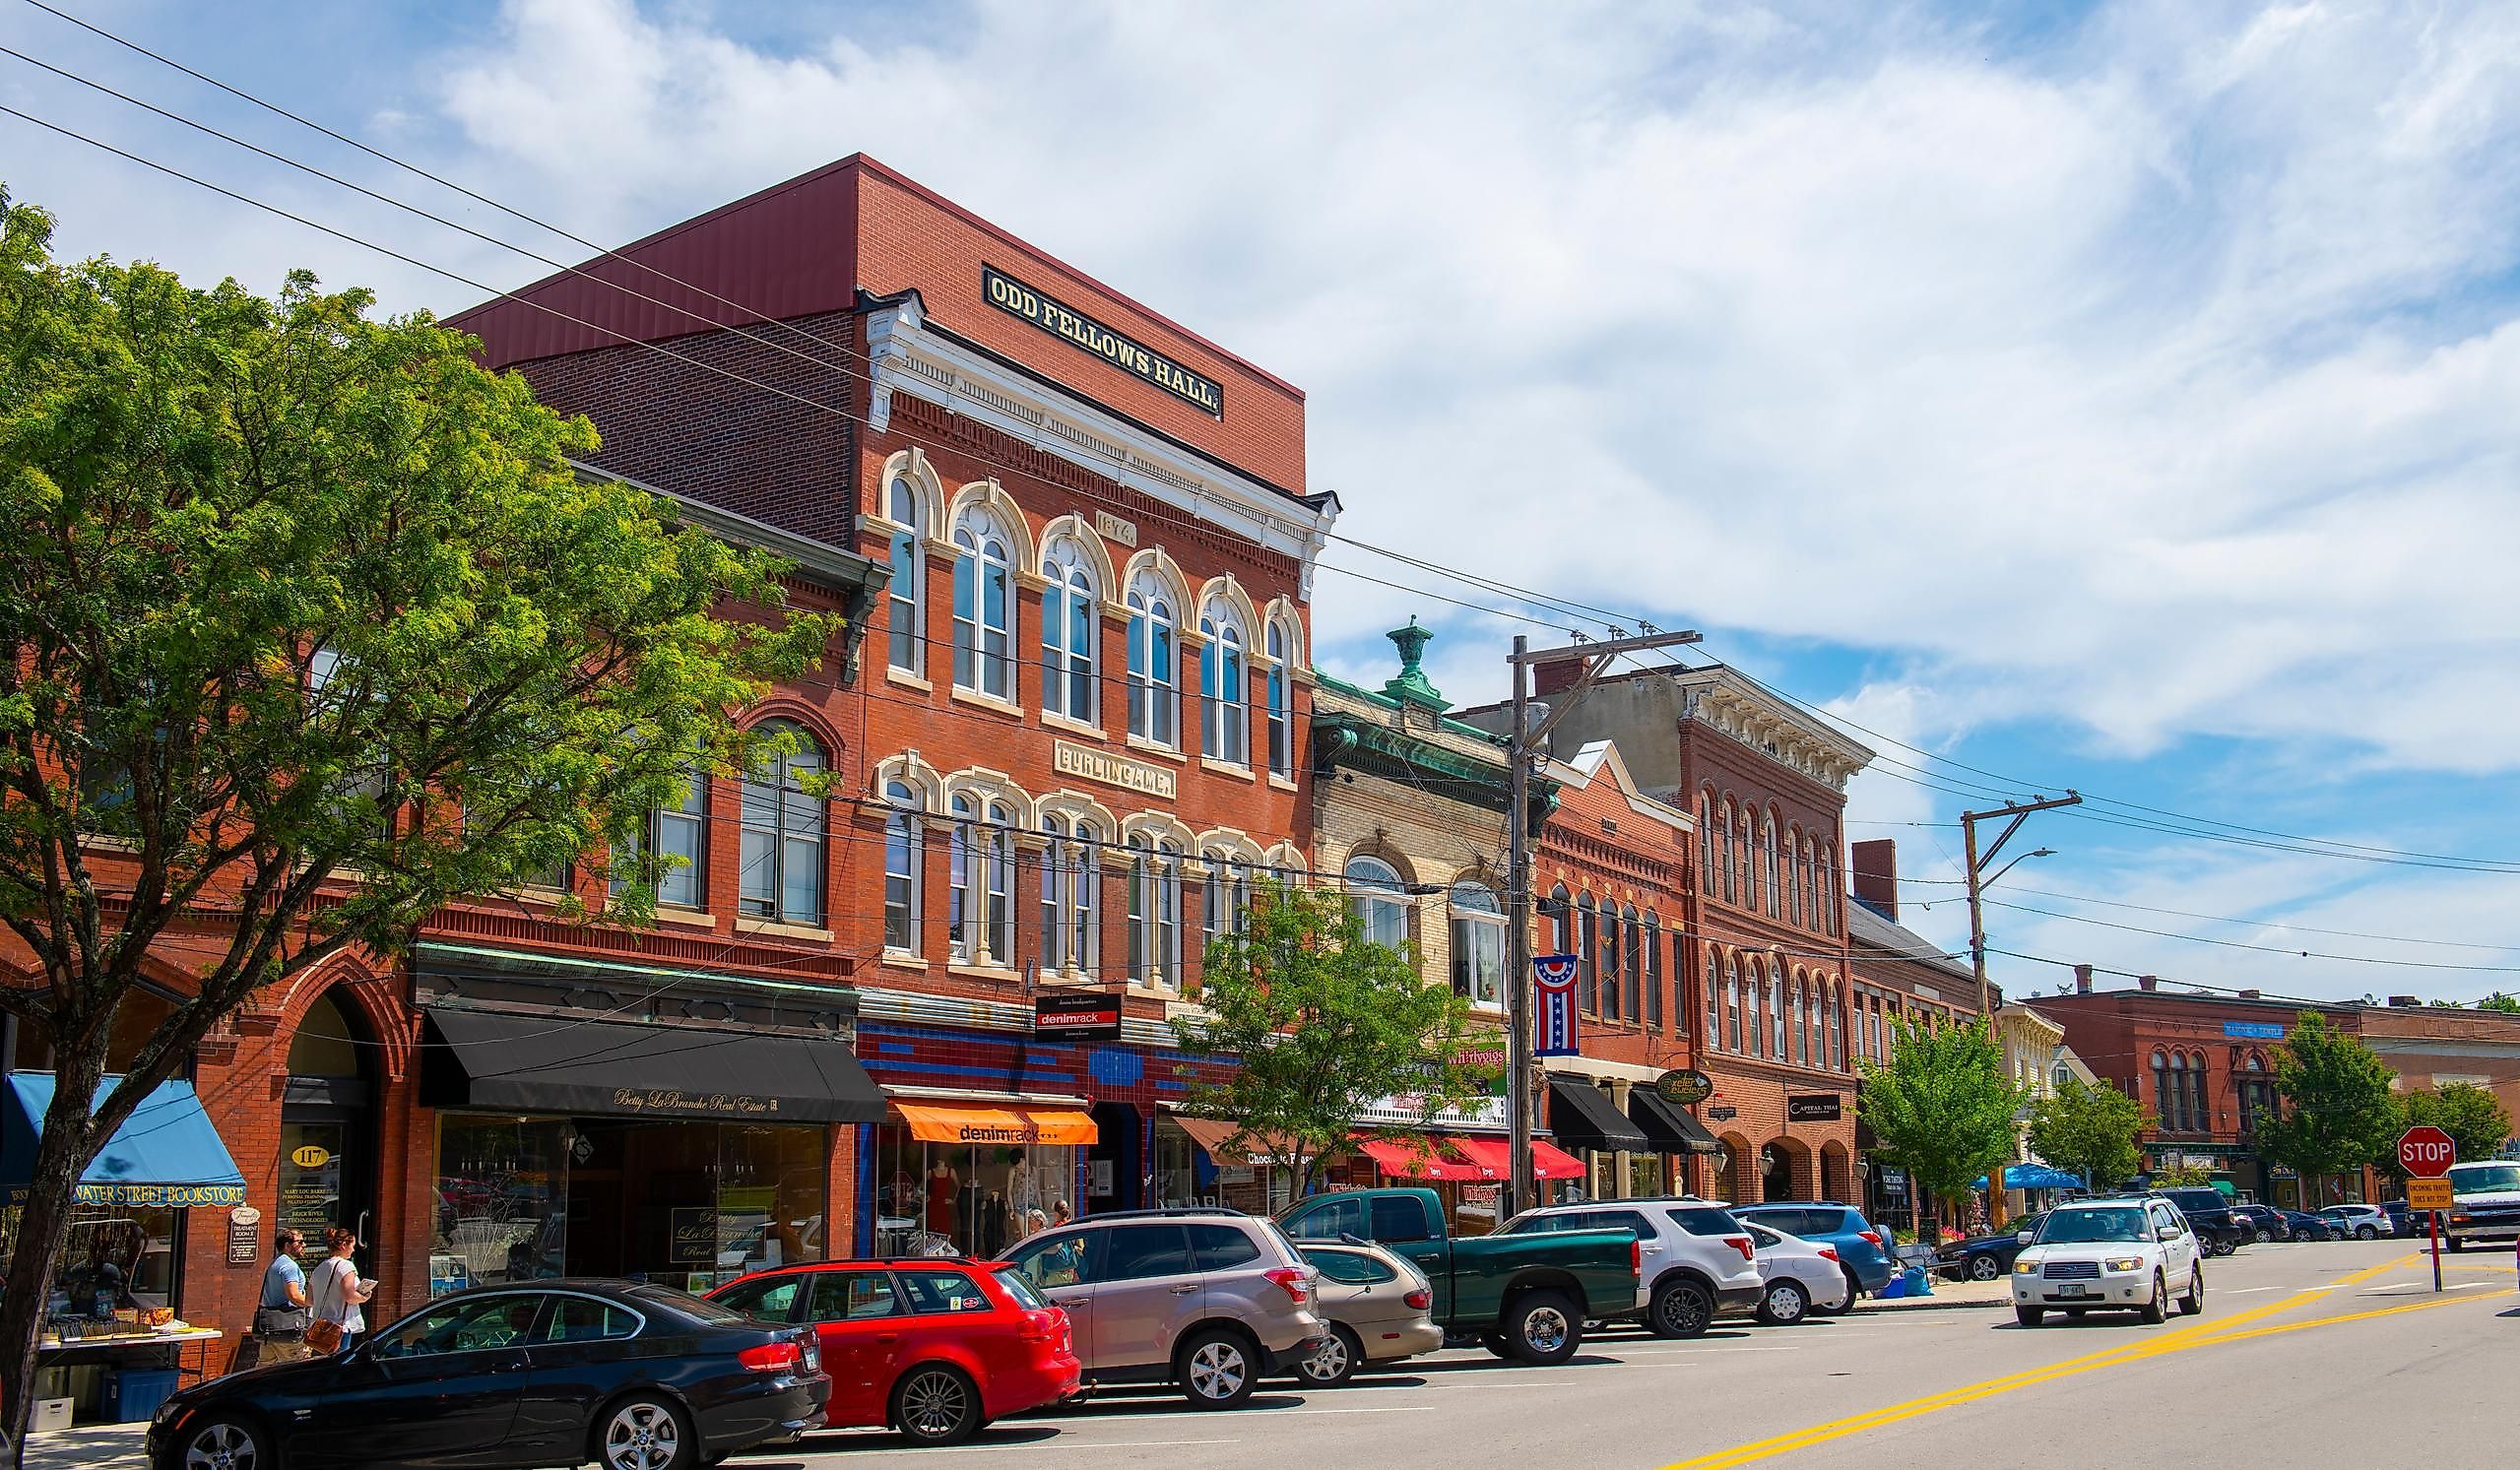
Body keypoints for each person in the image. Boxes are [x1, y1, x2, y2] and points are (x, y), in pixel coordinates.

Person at [307, 1226, 373, 1353]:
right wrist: (365, 1296)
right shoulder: (346, 1266)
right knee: (338, 1367)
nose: (353, 1250)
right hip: (338, 1329)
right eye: (352, 1245)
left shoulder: (320, 1267)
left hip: (318, 1329)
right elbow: (350, 1296)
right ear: (344, 1245)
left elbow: (309, 1300)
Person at [251, 1229, 312, 1366]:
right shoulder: (289, 1266)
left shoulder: (275, 1263)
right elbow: (294, 1296)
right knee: (296, 1370)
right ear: (287, 1245)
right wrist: (312, 1303)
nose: (304, 1245)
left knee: (263, 1371)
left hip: (270, 1330)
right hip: (288, 1329)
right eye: (300, 1242)